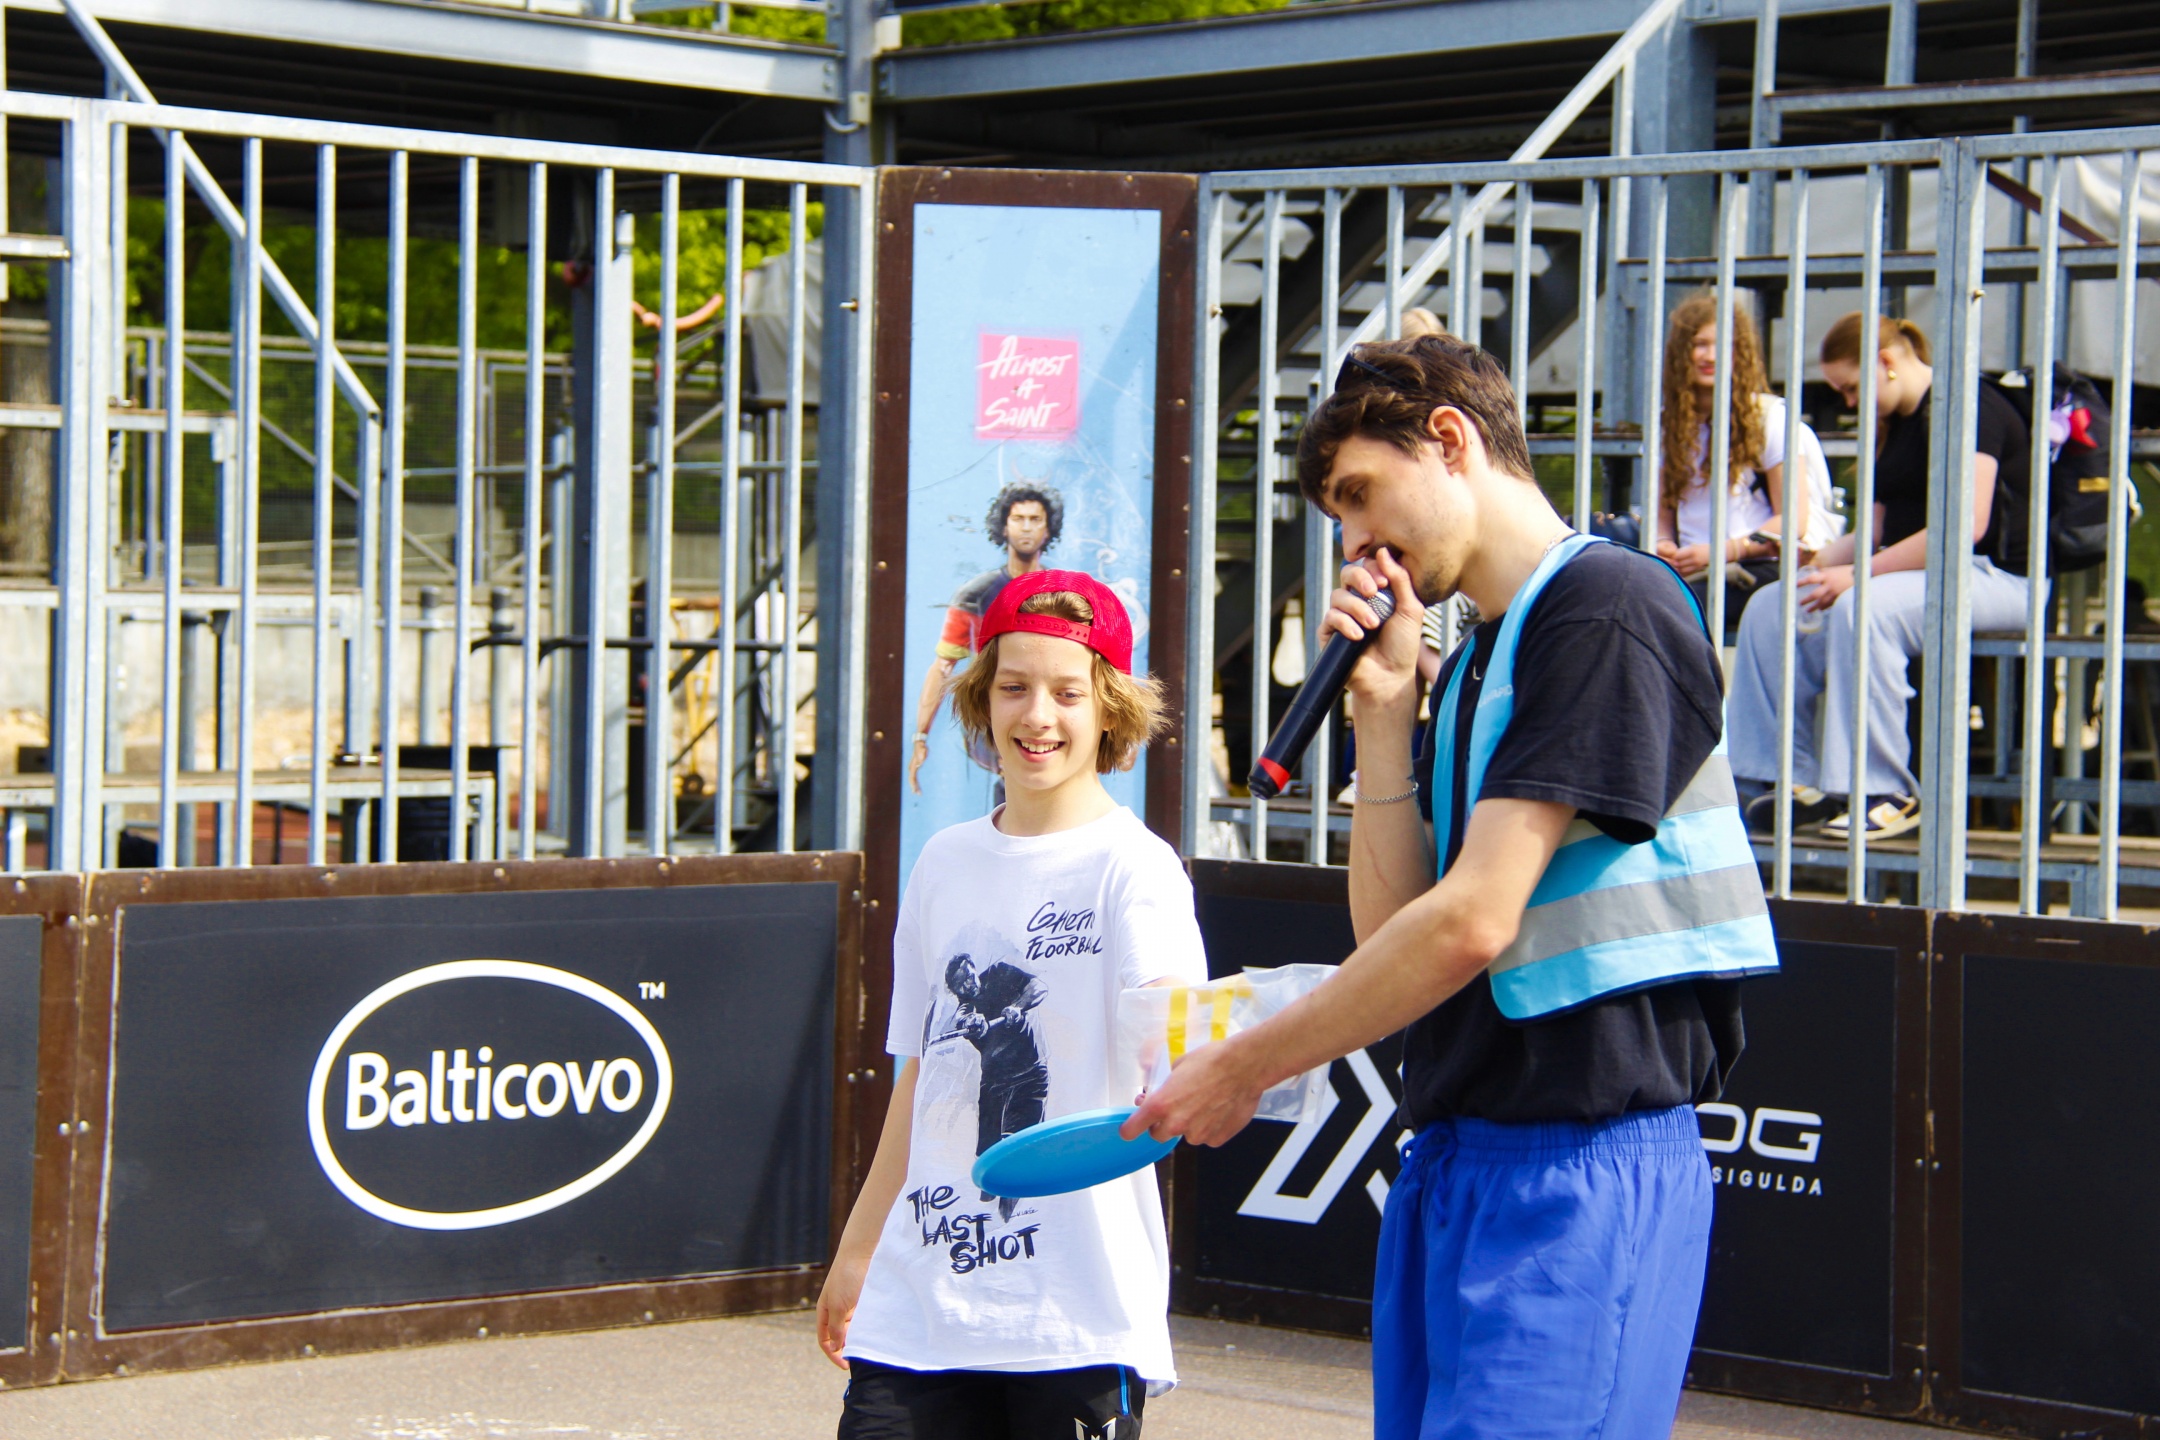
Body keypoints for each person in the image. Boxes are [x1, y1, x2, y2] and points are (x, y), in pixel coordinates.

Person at [1125, 334, 1778, 1440]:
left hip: (1579, 1163)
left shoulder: (1607, 604)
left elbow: (1472, 922)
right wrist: (1384, 710)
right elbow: (1396, 931)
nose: (1352, 540)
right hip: (1458, 1153)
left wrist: (1245, 1066)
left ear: (1448, 438)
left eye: (1358, 494)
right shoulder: (1479, 653)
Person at [820, 569, 1205, 1440]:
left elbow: (1173, 1031)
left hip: (1074, 1315)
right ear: (982, 699)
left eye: (1068, 693)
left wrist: (1182, 1046)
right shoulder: (942, 863)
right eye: (1014, 687)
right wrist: (860, 1246)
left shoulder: (1134, 868)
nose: (1038, 716)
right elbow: (920, 1082)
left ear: (1109, 708)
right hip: (919, 1309)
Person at [1729, 313, 2032, 841]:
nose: (1849, 403)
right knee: (1773, 605)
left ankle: (1885, 789)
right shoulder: (1895, 423)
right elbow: (1874, 530)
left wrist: (1856, 576)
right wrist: (1814, 564)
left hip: (1999, 578)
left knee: (1863, 607)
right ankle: (1779, 780)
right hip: (1917, 575)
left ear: (1886, 362)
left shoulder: (1972, 406)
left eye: (1851, 387)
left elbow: (1965, 527)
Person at [1652, 292, 1840, 625]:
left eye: (1723, 345)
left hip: (1756, 566)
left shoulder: (1769, 418)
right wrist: (1663, 544)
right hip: (1690, 570)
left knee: (1674, 614)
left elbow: (1792, 521)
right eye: (1699, 344)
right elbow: (1662, 514)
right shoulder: (1667, 423)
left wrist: (1721, 551)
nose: (1710, 356)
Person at [910, 482, 1063, 793]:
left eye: (1035, 519)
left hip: (1051, 720)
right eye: (1018, 519)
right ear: (1004, 526)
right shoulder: (975, 595)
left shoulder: (1064, 595)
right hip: (992, 722)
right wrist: (921, 737)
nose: (1026, 527)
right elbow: (942, 667)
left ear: (1048, 530)